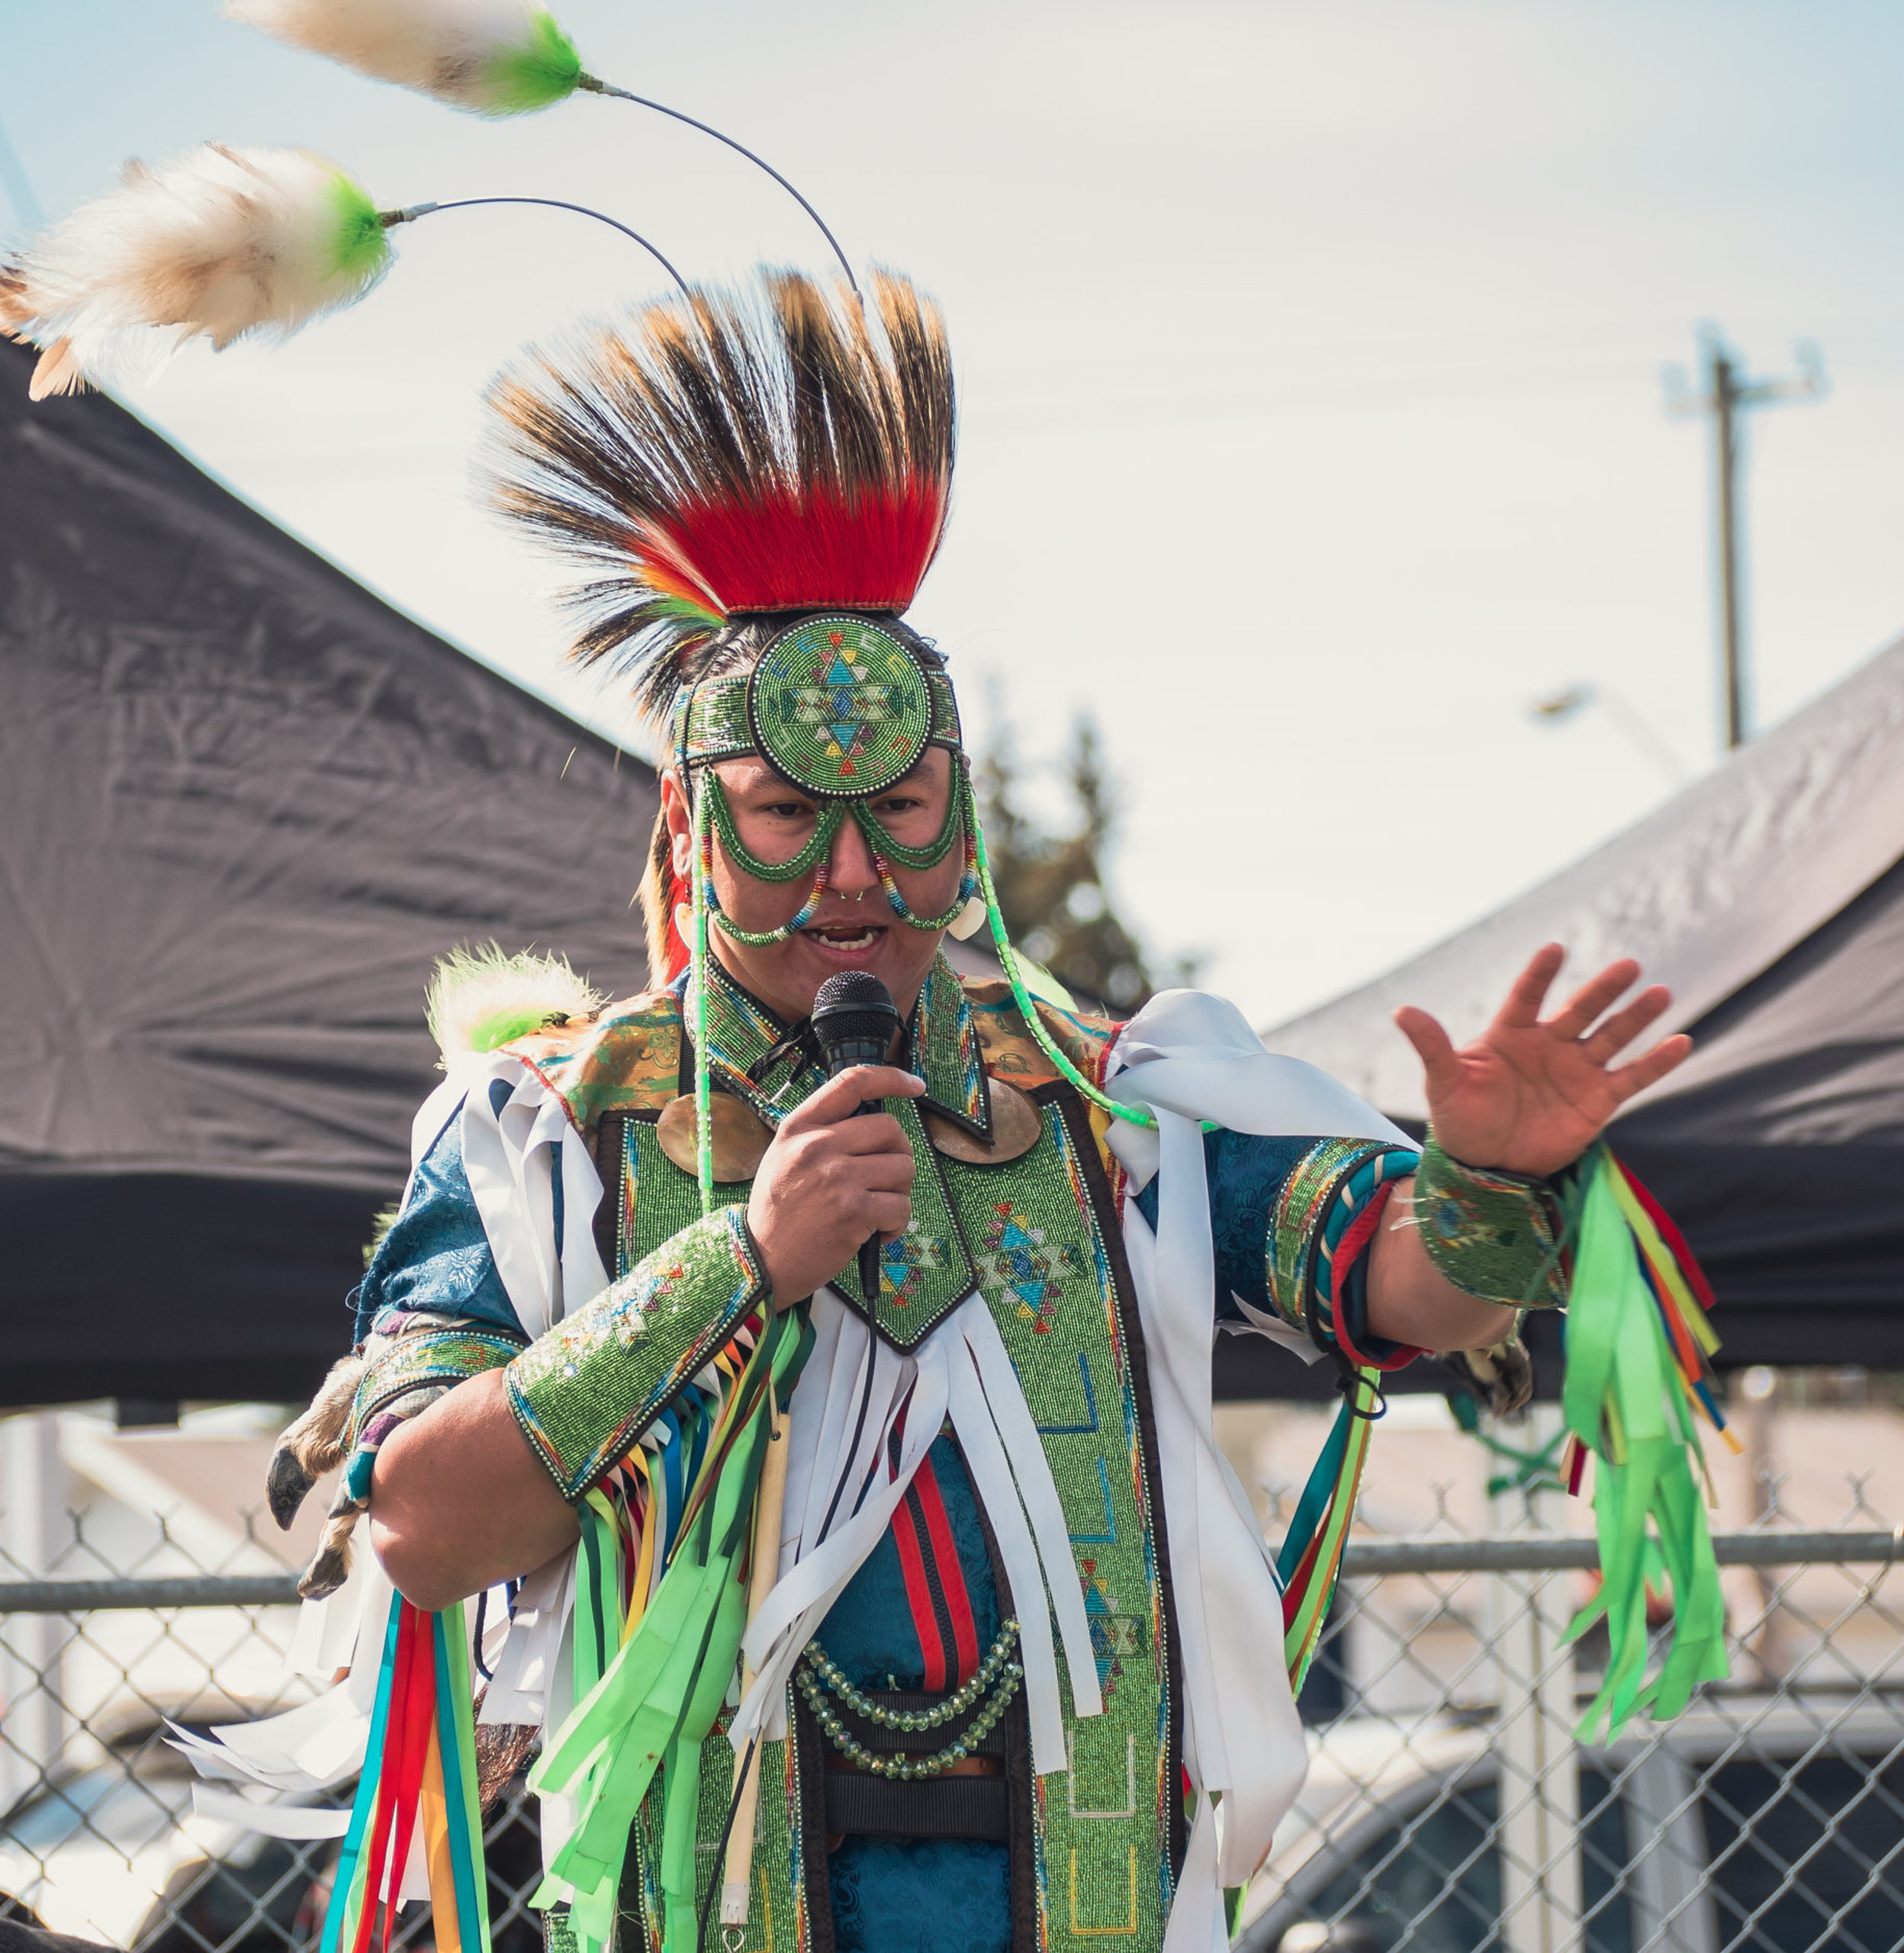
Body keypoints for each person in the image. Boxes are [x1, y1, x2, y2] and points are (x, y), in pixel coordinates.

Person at [331, 273, 1691, 1953]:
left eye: (896, 805)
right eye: (784, 812)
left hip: (1082, 1887)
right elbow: (416, 1523)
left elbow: (1396, 1282)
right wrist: (739, 1261)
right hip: (702, 1893)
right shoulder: (549, 1133)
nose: (849, 867)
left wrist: (1485, 1179)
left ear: (958, 809)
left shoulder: (1103, 1101)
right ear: (687, 826)